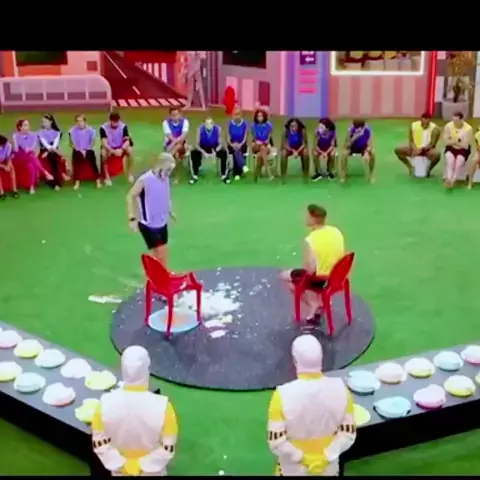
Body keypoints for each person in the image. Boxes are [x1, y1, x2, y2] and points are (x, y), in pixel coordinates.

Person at [267, 335, 356, 476]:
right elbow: (348, 434)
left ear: (295, 361)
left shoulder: (281, 395)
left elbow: (276, 442)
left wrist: (303, 458)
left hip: (293, 470)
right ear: (321, 359)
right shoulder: (342, 390)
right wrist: (325, 457)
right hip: (328, 469)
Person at [91, 345, 178, 476]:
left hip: (120, 471)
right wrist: (140, 465)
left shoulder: (104, 404)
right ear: (147, 370)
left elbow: (99, 443)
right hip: (151, 472)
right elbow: (167, 448)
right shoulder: (164, 407)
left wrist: (124, 464)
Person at [280, 204, 345, 323]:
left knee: (285, 276)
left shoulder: (311, 240)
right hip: (337, 275)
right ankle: (321, 301)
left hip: (321, 278)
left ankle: (314, 304)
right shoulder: (335, 231)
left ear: (312, 218)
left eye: (307, 216)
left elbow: (309, 270)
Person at [126, 153, 176, 266]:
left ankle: (162, 274)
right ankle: (158, 274)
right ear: (160, 166)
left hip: (162, 222)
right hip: (148, 224)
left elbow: (165, 194)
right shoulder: (145, 180)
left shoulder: (165, 178)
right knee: (160, 252)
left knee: (163, 252)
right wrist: (132, 218)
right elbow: (130, 196)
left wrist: (169, 210)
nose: (169, 173)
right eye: (168, 170)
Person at [393, 112, 441, 177]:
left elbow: (432, 144)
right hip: (415, 149)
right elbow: (411, 140)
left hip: (427, 150)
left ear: (430, 120)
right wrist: (414, 148)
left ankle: (428, 170)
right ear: (421, 119)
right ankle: (410, 167)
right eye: (423, 122)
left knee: (437, 154)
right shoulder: (413, 125)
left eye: (427, 123)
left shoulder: (435, 129)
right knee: (397, 150)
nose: (425, 125)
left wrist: (421, 150)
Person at [12, 119, 53, 194]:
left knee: (31, 165)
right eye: (25, 125)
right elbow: (16, 150)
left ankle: (31, 186)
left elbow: (33, 147)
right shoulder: (16, 135)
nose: (27, 127)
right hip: (19, 157)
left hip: (29, 156)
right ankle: (45, 172)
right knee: (32, 158)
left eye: (28, 125)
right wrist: (16, 141)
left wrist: (29, 149)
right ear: (20, 127)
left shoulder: (33, 135)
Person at [189, 116, 229, 185]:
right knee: (193, 152)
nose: (209, 125)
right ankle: (194, 175)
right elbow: (196, 144)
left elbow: (221, 143)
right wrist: (203, 152)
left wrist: (215, 151)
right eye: (207, 123)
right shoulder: (200, 129)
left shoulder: (218, 129)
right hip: (203, 147)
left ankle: (224, 176)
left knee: (224, 153)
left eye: (210, 123)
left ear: (213, 123)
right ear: (204, 124)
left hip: (215, 147)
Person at [100, 112, 135, 186]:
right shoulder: (103, 128)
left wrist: (122, 149)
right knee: (103, 154)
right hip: (109, 147)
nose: (116, 124)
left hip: (120, 147)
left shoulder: (123, 126)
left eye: (117, 122)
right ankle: (107, 177)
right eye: (114, 122)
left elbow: (127, 141)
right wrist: (112, 151)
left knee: (130, 151)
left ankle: (129, 174)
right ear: (110, 120)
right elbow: (104, 143)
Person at [69, 114, 101, 190]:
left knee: (92, 160)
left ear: (85, 121)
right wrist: (79, 149)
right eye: (77, 121)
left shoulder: (91, 130)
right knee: (77, 158)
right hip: (78, 150)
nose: (79, 123)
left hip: (88, 149)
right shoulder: (72, 131)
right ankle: (77, 181)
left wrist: (86, 150)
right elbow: (71, 144)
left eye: (81, 121)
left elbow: (92, 143)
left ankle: (98, 180)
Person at [443, 111, 473, 189]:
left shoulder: (468, 129)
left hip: (463, 150)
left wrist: (453, 141)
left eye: (456, 121)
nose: (454, 122)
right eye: (453, 120)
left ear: (461, 119)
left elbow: (465, 146)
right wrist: (457, 141)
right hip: (450, 148)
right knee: (450, 160)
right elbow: (446, 142)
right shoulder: (448, 126)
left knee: (459, 161)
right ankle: (449, 179)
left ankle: (453, 180)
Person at [339, 119, 375, 183]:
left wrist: (366, 152)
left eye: (359, 128)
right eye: (355, 127)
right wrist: (354, 138)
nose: (356, 129)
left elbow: (370, 144)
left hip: (363, 148)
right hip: (352, 148)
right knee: (344, 154)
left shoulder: (368, 130)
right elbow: (346, 145)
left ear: (363, 127)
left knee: (373, 153)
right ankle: (343, 175)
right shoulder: (350, 130)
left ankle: (371, 174)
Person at [38, 114, 68, 191]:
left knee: (53, 156)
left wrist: (49, 151)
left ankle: (56, 180)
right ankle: (55, 182)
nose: (44, 123)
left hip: (53, 150)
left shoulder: (57, 132)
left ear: (51, 122)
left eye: (45, 122)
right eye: (43, 122)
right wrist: (48, 151)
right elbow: (45, 144)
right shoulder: (41, 132)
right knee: (52, 156)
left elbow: (55, 144)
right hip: (45, 150)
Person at [162, 107, 190, 183]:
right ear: (170, 116)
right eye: (173, 115)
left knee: (179, 146)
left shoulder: (185, 122)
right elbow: (170, 136)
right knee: (177, 154)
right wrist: (173, 144)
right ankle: (177, 177)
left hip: (181, 146)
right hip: (170, 145)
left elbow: (183, 136)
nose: (175, 117)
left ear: (180, 114)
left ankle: (166, 162)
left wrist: (173, 145)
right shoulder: (165, 123)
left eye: (177, 114)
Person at [280, 118, 309, 183]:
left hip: (300, 148)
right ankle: (283, 176)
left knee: (305, 153)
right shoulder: (285, 131)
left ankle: (306, 175)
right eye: (291, 126)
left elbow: (304, 144)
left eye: (295, 126)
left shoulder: (302, 131)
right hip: (289, 148)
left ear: (298, 126)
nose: (293, 127)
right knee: (283, 153)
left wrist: (297, 151)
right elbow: (284, 144)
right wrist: (293, 151)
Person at [251, 108, 274, 181]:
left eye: (261, 116)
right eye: (258, 116)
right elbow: (254, 138)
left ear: (264, 117)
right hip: (256, 146)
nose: (259, 118)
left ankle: (256, 174)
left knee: (259, 155)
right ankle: (268, 172)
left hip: (265, 145)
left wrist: (264, 142)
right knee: (261, 148)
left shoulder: (269, 125)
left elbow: (268, 139)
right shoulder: (253, 126)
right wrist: (257, 142)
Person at [227, 106, 249, 180]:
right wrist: (232, 144)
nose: (237, 116)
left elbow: (245, 138)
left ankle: (236, 173)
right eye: (235, 114)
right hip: (232, 144)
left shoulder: (245, 124)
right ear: (232, 115)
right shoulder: (230, 123)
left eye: (238, 114)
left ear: (241, 114)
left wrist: (240, 144)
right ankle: (243, 166)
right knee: (235, 150)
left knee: (237, 150)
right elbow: (228, 137)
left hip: (242, 144)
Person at [0, 135, 19, 199]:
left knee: (12, 168)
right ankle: (1, 192)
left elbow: (9, 157)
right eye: (2, 145)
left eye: (4, 144)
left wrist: (8, 166)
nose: (3, 146)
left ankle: (14, 190)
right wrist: (3, 167)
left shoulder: (8, 145)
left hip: (5, 161)